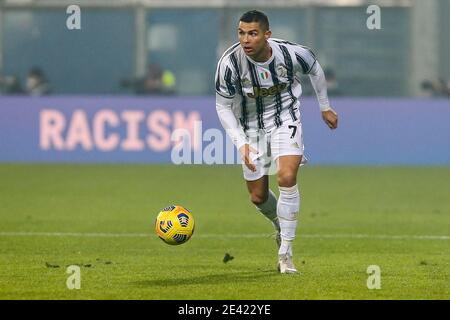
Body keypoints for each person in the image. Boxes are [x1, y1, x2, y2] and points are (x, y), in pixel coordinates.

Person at [215, 10, 338, 274]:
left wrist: (325, 107)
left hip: (285, 118)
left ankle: (286, 255)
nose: (245, 39)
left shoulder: (290, 54)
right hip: (250, 129)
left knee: (286, 176)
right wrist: (241, 144)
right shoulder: (230, 64)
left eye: (252, 33)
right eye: (241, 33)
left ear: (267, 35)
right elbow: (223, 107)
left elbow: (315, 69)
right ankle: (279, 223)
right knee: (258, 196)